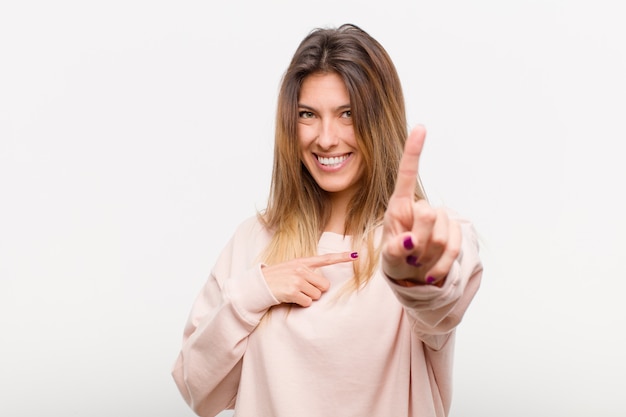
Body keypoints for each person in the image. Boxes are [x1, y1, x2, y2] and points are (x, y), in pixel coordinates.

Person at [171, 23, 483, 417]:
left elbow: (445, 295)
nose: (326, 138)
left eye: (347, 114)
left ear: (379, 120)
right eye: (308, 115)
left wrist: (417, 274)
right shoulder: (254, 241)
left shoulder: (417, 237)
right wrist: (256, 291)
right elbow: (198, 390)